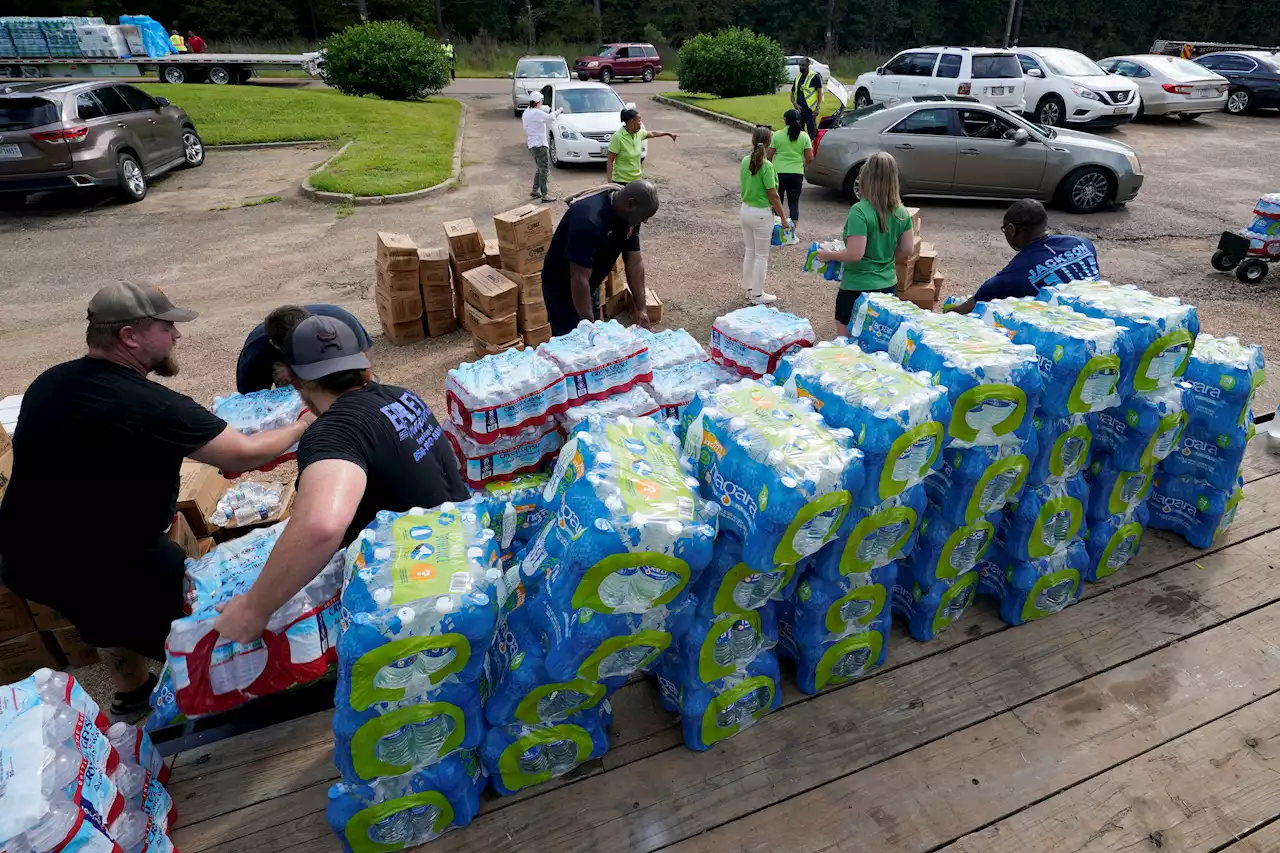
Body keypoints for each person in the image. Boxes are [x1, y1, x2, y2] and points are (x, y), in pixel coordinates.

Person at [0, 282, 311, 721]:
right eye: (167, 328)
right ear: (130, 336)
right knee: (197, 635)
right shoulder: (149, 405)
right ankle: (225, 712)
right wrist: (303, 424)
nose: (177, 337)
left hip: (27, 555)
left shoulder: (52, 381)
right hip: (107, 559)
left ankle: (132, 694)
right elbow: (244, 452)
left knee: (98, 615)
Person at [212, 315, 469, 643]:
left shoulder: (334, 432)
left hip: (421, 600)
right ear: (365, 367)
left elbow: (321, 527)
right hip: (462, 555)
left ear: (293, 380)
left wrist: (253, 609)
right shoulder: (401, 396)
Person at [540, 180, 660, 334]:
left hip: (589, 281)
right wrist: (589, 328)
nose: (644, 221)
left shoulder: (629, 215)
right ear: (631, 203)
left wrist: (642, 309)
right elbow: (578, 277)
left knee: (596, 334)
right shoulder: (588, 220)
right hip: (563, 287)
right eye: (644, 216)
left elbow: (634, 262)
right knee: (573, 341)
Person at [816, 152, 915, 334]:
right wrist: (886, 257)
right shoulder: (902, 212)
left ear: (866, 177)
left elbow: (855, 254)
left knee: (845, 338)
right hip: (887, 285)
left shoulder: (860, 211)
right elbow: (908, 249)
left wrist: (828, 254)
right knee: (876, 339)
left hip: (857, 287)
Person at [948, 199, 1101, 314]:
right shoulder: (1084, 244)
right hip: (1098, 311)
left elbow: (966, 309)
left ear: (1011, 229)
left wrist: (948, 313)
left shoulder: (1011, 276)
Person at [236, 304, 372, 394]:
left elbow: (365, 370)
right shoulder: (256, 354)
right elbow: (253, 402)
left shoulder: (342, 322)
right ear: (275, 345)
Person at [740, 126, 792, 306]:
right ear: (770, 142)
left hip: (745, 210)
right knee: (762, 255)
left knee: (750, 251)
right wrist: (784, 219)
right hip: (761, 213)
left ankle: (748, 289)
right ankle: (757, 294)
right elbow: (773, 195)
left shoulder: (746, 160)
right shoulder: (767, 166)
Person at [606, 108, 677, 186]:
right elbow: (610, 161)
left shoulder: (638, 134)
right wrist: (610, 184)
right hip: (621, 181)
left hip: (637, 180)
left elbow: (653, 133)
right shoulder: (618, 137)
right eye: (639, 121)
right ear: (632, 122)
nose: (641, 123)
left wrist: (668, 133)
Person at [769, 108, 814, 229]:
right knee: (794, 203)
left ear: (785, 120)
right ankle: (791, 233)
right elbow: (809, 157)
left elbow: (769, 155)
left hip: (778, 173)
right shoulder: (804, 136)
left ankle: (777, 229)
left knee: (777, 202)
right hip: (796, 173)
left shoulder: (777, 135)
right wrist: (803, 166)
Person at [522, 91, 563, 203]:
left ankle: (535, 190)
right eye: (541, 101)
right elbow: (550, 117)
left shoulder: (527, 112)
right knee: (544, 169)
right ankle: (545, 194)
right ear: (538, 102)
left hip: (532, 144)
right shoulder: (536, 113)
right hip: (540, 144)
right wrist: (559, 110)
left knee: (540, 168)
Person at [790, 56, 824, 141]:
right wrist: (795, 104)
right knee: (799, 133)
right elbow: (792, 95)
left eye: (803, 65)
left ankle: (812, 151)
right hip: (799, 109)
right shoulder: (797, 78)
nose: (801, 67)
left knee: (812, 134)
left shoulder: (815, 77)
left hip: (810, 110)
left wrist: (817, 108)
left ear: (808, 65)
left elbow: (820, 92)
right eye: (800, 65)